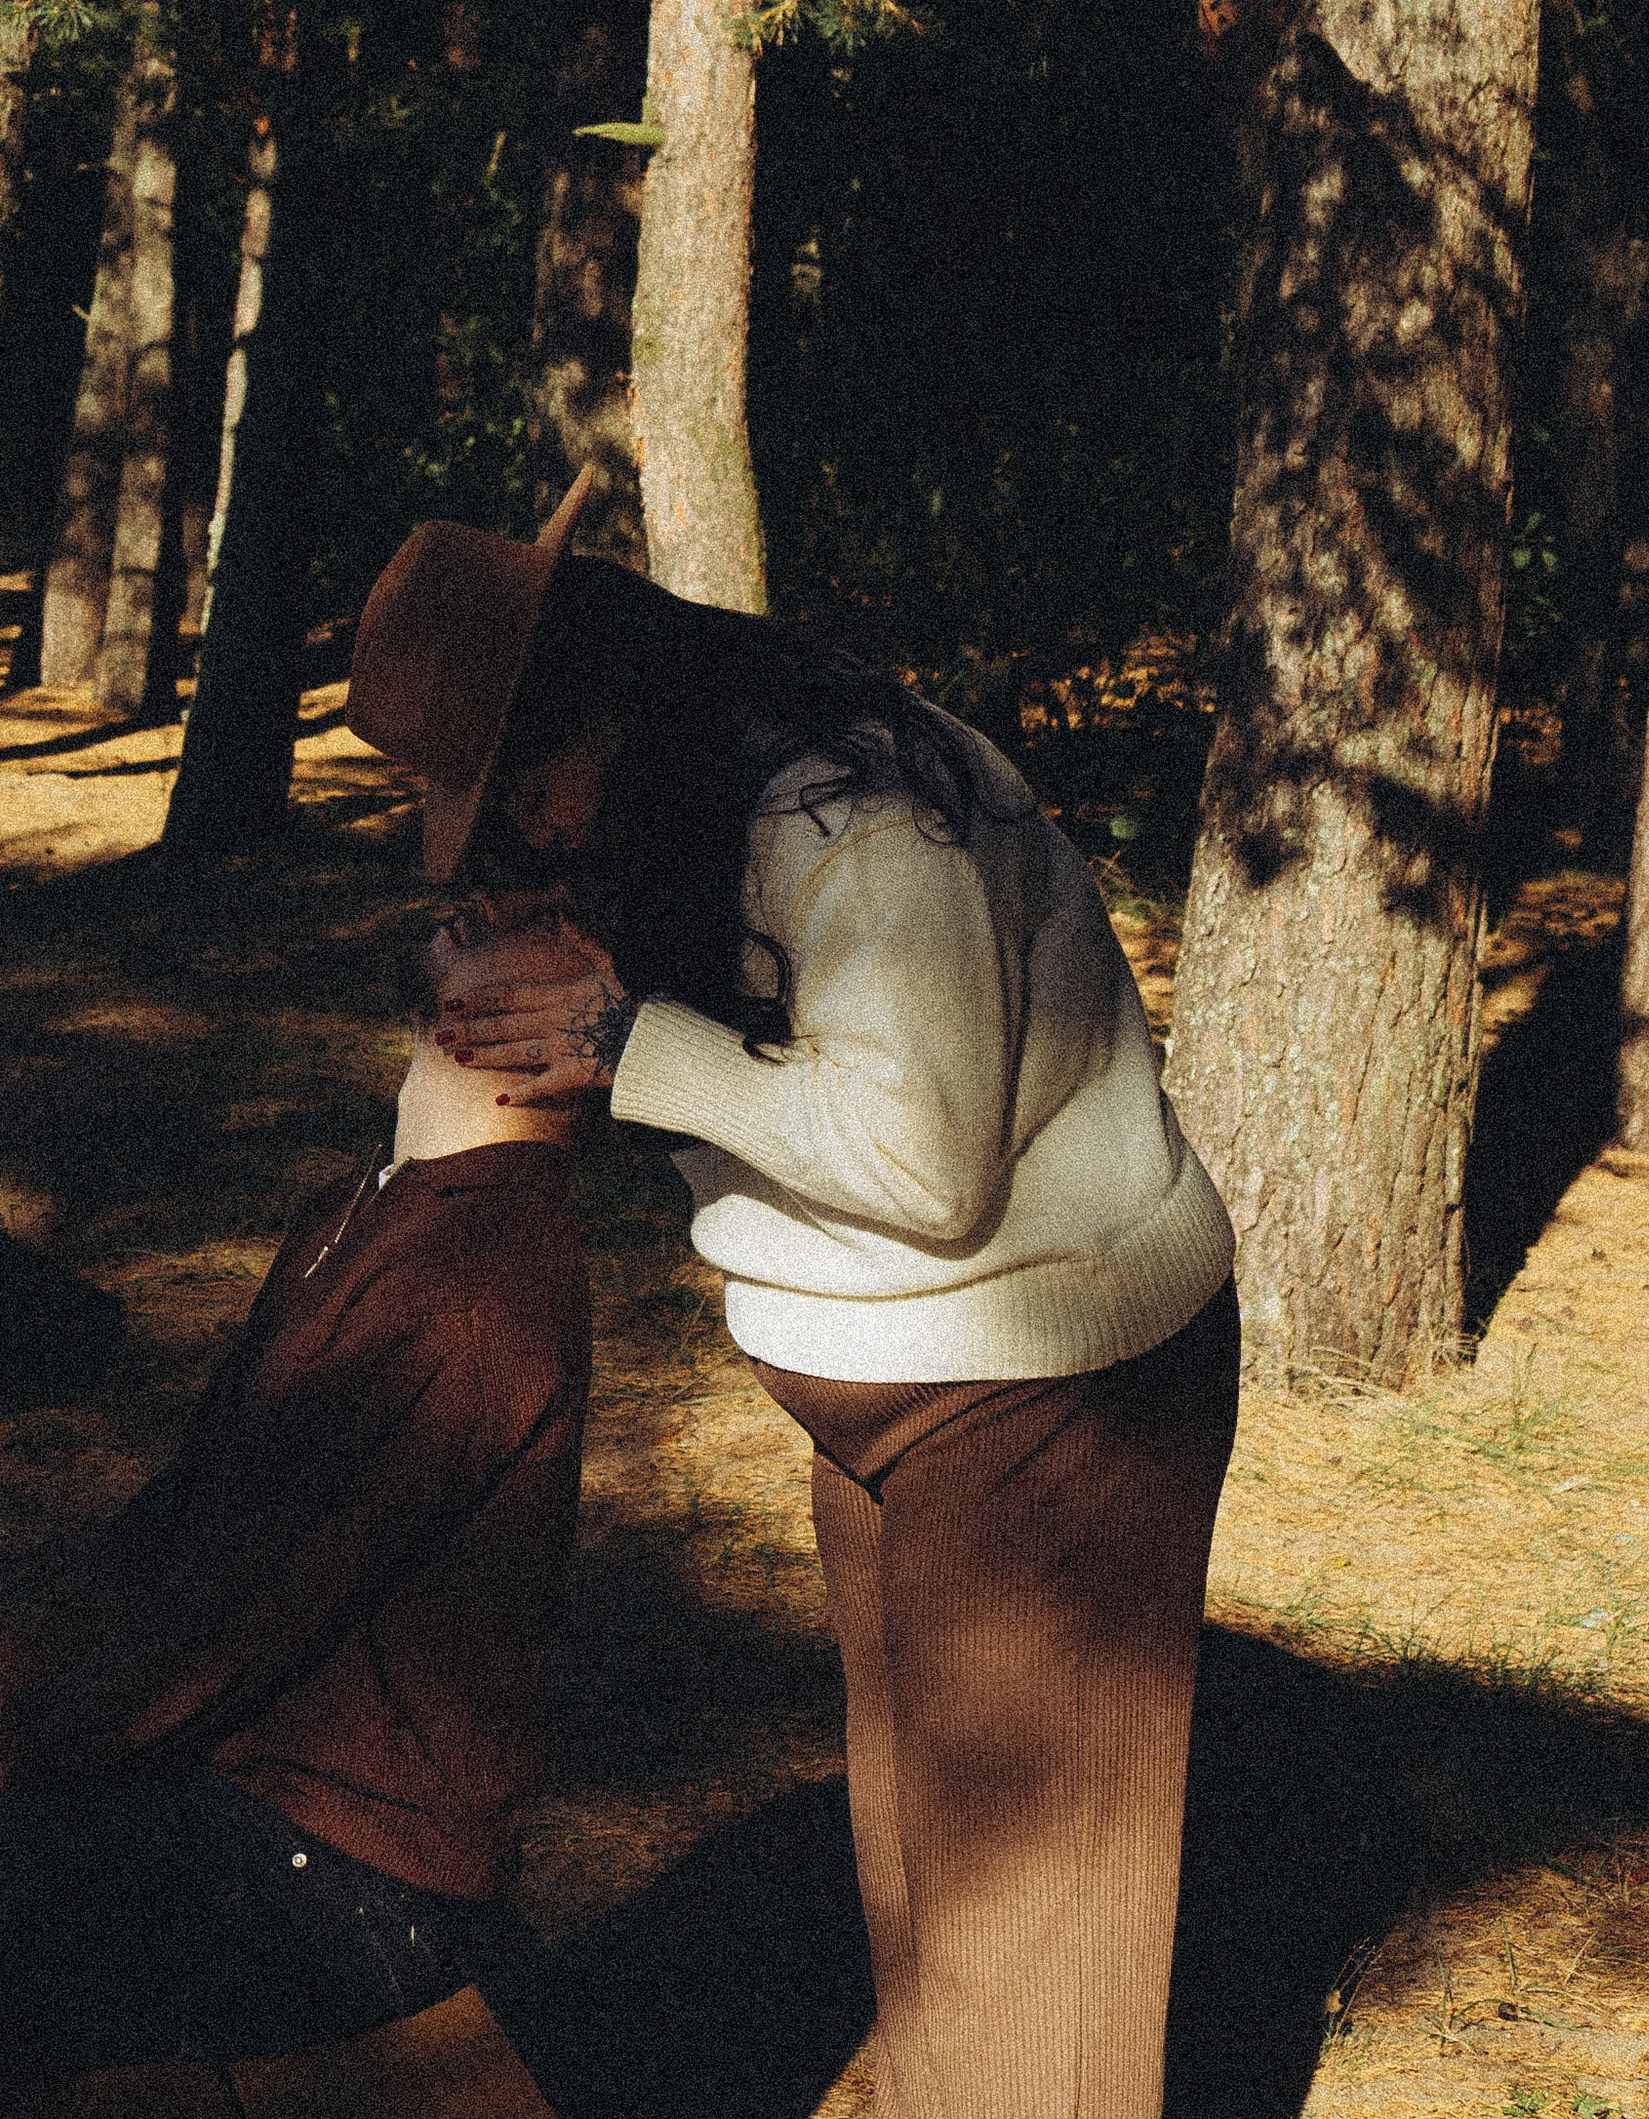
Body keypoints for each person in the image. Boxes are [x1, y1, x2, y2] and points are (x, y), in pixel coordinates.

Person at [345, 472, 1239, 2119]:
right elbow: (773, 1090)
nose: (528, 830)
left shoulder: (858, 823)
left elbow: (922, 1164)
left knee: (1032, 1932)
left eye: (525, 785)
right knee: (924, 1887)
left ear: (610, 708)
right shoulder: (687, 815)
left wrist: (631, 1045)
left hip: (1050, 1395)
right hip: (888, 1397)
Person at [0, 919, 591, 2119]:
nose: (483, 905)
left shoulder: (471, 1278)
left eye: (548, 920)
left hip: (336, 1879)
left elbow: (237, 1604)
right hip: (223, 1776)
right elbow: (185, 1530)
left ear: (554, 1038)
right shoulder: (379, 1206)